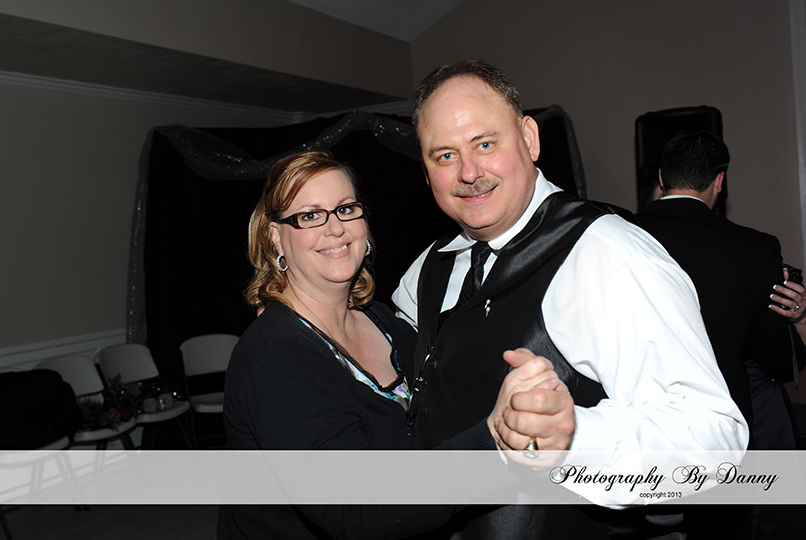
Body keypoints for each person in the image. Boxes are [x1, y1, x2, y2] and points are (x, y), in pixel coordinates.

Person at [392, 60, 749, 538]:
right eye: (444, 156)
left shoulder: (611, 255)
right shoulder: (428, 269)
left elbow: (714, 439)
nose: (469, 172)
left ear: (529, 139)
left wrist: (575, 440)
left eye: (485, 144)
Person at [218, 151, 566, 540]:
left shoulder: (381, 320)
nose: (335, 229)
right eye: (310, 216)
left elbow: (441, 404)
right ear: (275, 236)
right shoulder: (274, 356)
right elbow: (356, 507)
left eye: (346, 209)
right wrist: (495, 441)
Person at [635, 130, 806, 539]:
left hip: (639, 417)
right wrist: (798, 319)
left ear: (662, 177)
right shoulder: (755, 248)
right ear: (719, 181)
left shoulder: (615, 235)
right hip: (723, 424)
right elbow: (778, 359)